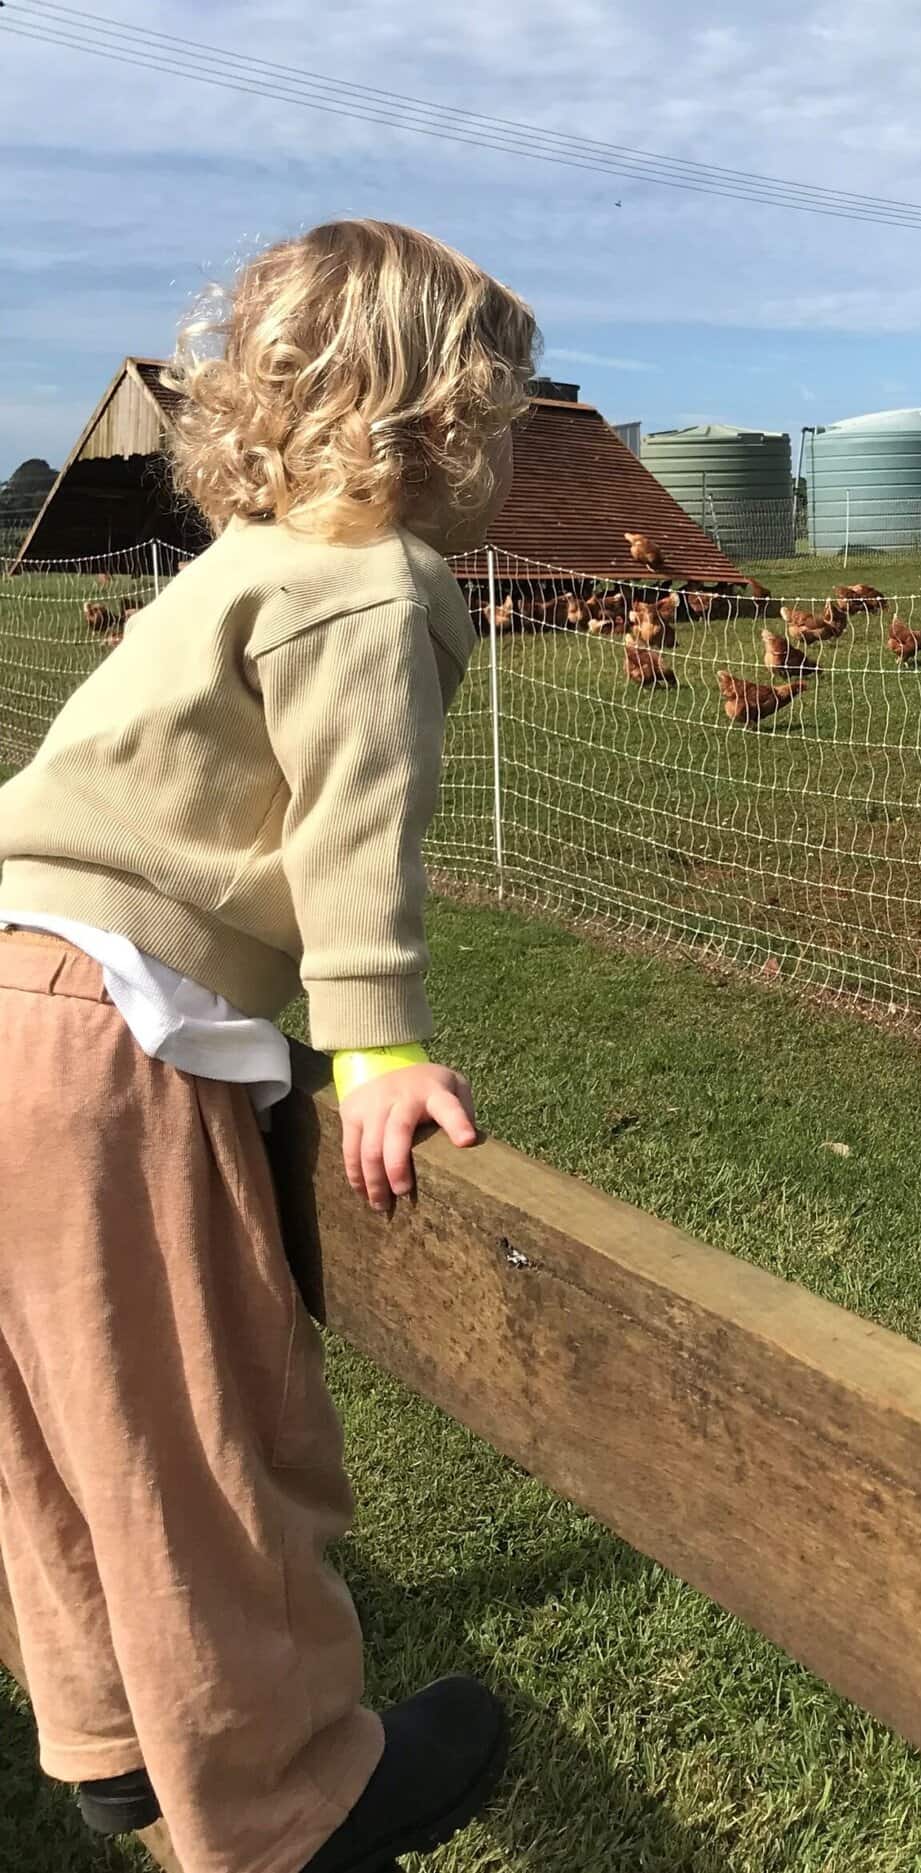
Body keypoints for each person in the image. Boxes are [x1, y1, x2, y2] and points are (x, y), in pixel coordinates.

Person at [0, 219, 535, 1873]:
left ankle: (101, 1734)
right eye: (503, 412)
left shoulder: (226, 566)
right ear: (436, 417)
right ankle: (297, 1792)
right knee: (196, 1426)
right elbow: (356, 833)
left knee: (45, 1402)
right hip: (102, 1030)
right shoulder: (367, 585)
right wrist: (370, 1046)